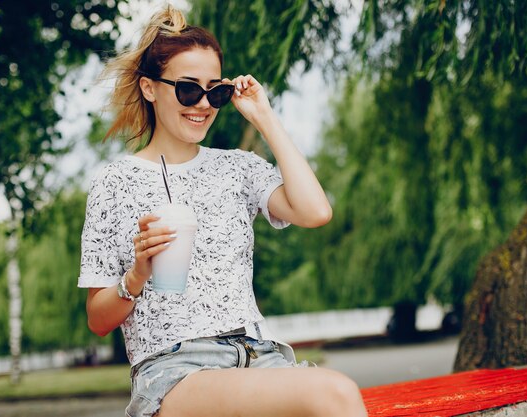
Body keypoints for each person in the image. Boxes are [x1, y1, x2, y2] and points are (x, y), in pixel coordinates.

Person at [79, 5, 367, 417]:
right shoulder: (113, 183)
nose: (203, 104)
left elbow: (315, 211)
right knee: (333, 392)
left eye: (215, 91)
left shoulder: (238, 167)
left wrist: (264, 117)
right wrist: (137, 274)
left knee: (330, 395)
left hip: (260, 355)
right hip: (174, 372)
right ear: (148, 88)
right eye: (187, 89)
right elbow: (98, 319)